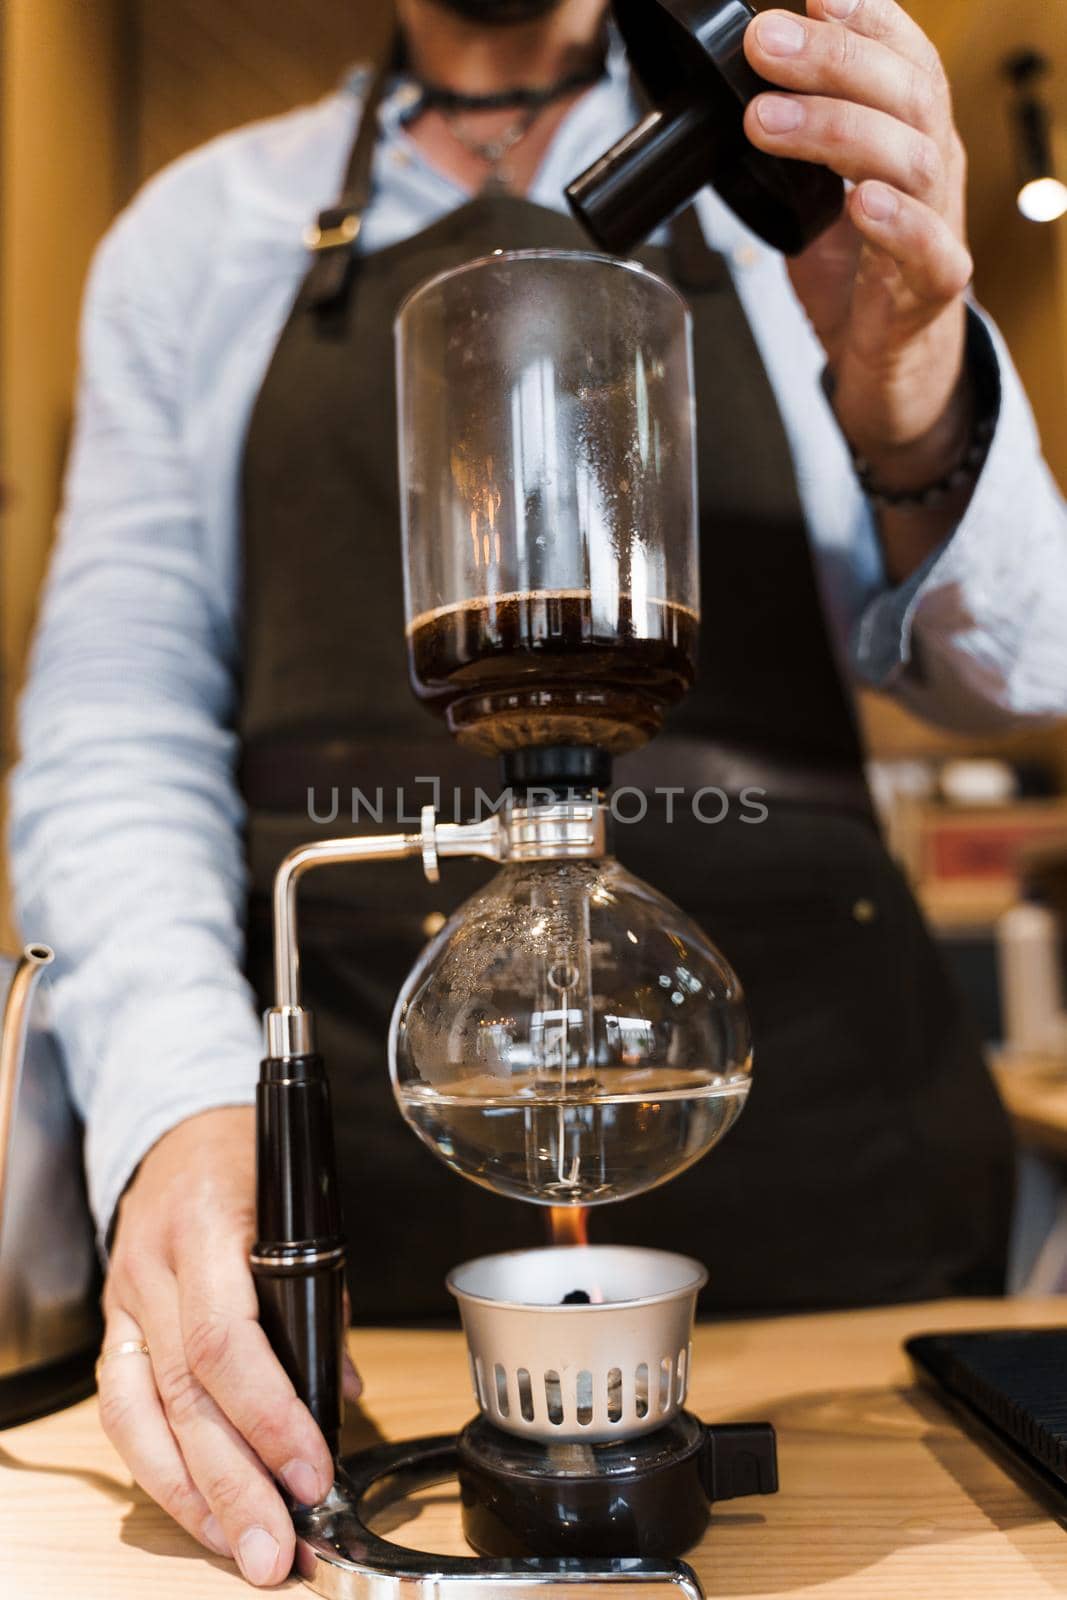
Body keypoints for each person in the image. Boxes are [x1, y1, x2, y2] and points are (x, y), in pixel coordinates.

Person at [10, 0, 1067, 1585]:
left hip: (849, 1188)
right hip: (375, 1231)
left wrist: (908, 367)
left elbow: (1030, 672)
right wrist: (176, 1107)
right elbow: (117, 720)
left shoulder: (793, 166)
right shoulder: (201, 229)